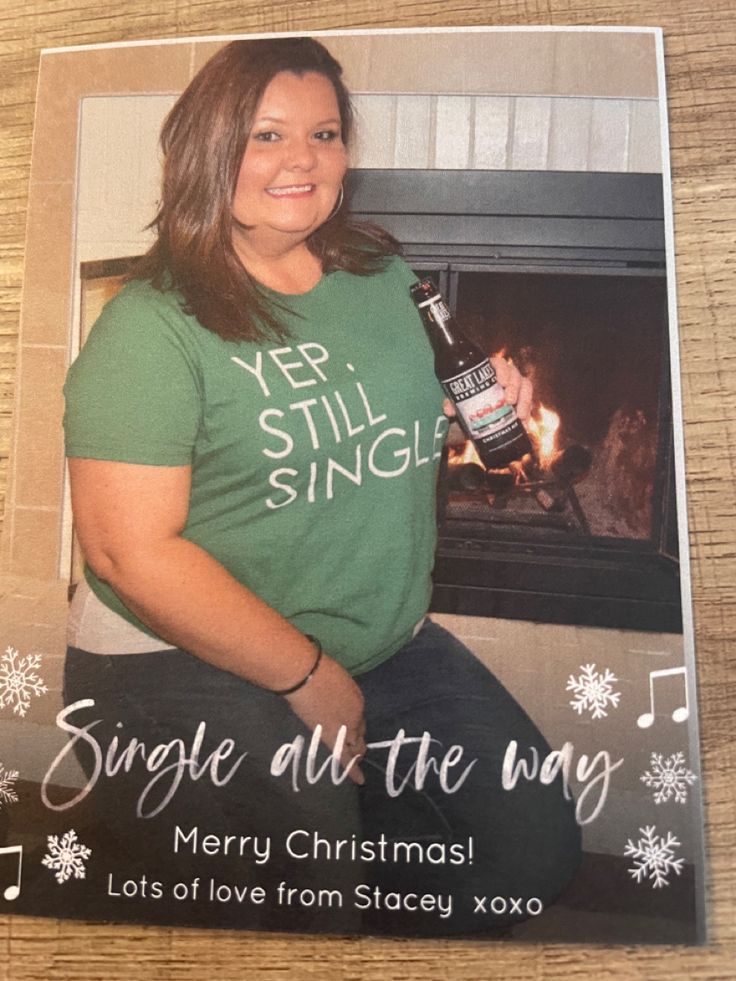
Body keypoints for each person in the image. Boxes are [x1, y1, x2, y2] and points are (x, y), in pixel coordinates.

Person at [62, 37, 581, 935]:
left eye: (325, 132)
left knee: (531, 855)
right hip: (178, 652)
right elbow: (127, 552)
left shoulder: (378, 278)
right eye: (265, 135)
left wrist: (471, 425)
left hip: (378, 637)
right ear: (207, 149)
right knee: (308, 888)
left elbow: (390, 419)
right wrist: (306, 676)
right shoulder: (148, 329)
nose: (302, 158)